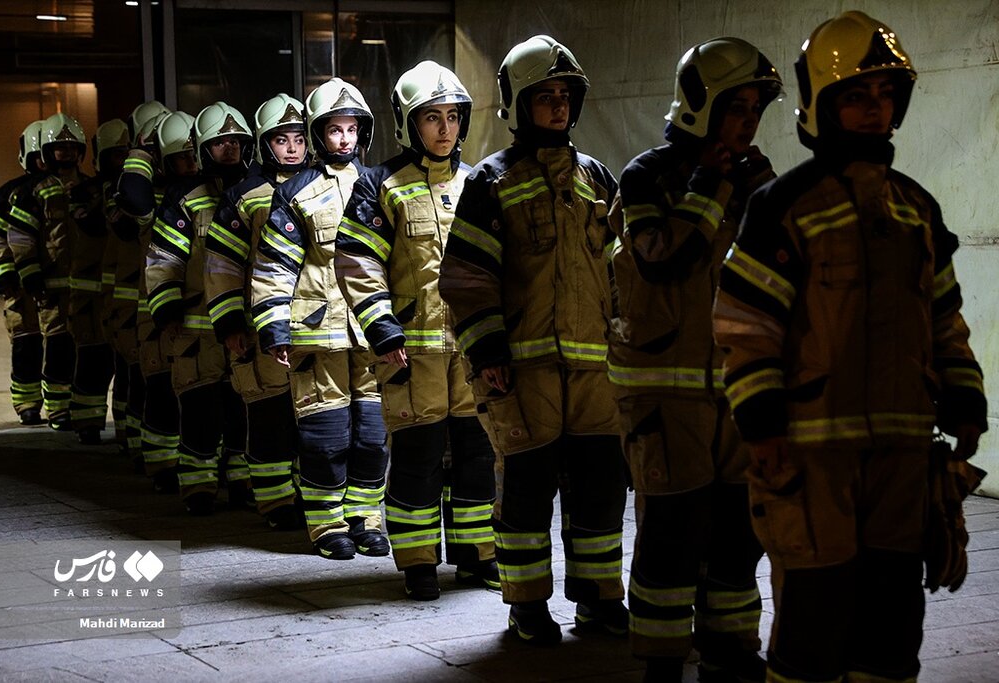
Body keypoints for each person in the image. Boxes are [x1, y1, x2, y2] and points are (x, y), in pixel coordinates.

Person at [712, 11, 987, 682]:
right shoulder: (784, 206)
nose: (875, 109)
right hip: (812, 462)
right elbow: (746, 325)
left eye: (886, 94)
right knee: (813, 624)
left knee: (893, 628)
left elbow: (946, 317)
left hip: (901, 460)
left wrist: (965, 396)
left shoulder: (916, 209)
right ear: (822, 105)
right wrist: (764, 425)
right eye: (857, 95)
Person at [439, 35, 627, 645]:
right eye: (544, 96)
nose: (557, 107)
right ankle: (526, 605)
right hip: (523, 374)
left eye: (565, 95)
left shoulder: (597, 176)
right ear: (518, 105)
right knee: (524, 496)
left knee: (598, 494)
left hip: (596, 377)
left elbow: (620, 272)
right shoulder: (491, 181)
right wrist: (487, 351)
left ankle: (599, 600)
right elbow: (466, 280)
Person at [607, 38, 782, 681]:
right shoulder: (646, 175)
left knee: (741, 529)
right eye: (735, 107)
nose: (747, 122)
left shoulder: (755, 176)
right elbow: (661, 259)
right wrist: (712, 184)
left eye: (755, 109)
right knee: (671, 533)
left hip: (737, 388)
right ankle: (660, 658)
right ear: (699, 105)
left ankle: (730, 647)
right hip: (663, 393)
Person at [335, 62, 498, 599]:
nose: (445, 129)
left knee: (477, 457)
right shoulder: (380, 185)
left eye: (453, 117)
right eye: (432, 118)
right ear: (409, 124)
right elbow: (357, 261)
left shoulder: (480, 182)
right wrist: (382, 329)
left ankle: (477, 557)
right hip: (410, 354)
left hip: (470, 351)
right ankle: (419, 562)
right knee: (418, 460)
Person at [251, 80, 391, 553]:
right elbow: (274, 265)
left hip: (370, 335)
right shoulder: (295, 192)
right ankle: (327, 524)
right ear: (319, 135)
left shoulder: (381, 185)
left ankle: (366, 518)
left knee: (372, 435)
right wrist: (273, 327)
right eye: (335, 130)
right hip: (317, 333)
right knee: (325, 435)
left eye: (353, 130)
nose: (346, 140)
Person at [205, 93, 307, 530]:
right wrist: (229, 324)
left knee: (314, 419)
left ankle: (312, 497)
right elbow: (222, 266)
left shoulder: (326, 185)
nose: (291, 149)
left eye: (299, 139)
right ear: (264, 144)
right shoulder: (244, 195)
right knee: (268, 417)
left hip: (314, 328)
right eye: (281, 140)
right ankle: (274, 502)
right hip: (259, 327)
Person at [145, 102, 252, 515]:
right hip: (196, 331)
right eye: (219, 142)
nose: (228, 149)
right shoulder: (185, 201)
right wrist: (165, 311)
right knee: (200, 412)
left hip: (246, 329)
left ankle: (244, 483)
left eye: (235, 142)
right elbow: (162, 260)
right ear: (204, 148)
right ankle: (198, 486)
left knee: (244, 411)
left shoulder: (258, 195)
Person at [114, 110, 191, 488]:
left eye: (195, 154)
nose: (190, 164)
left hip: (202, 316)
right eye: (181, 157)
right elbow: (131, 194)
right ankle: (162, 465)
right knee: (160, 390)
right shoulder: (154, 200)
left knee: (199, 398)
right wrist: (140, 155)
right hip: (157, 314)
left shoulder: (214, 193)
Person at [6, 112, 86, 431]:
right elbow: (20, 237)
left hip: (85, 286)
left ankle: (68, 405)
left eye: (70, 147)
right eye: (58, 148)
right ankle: (53, 408)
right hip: (51, 287)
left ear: (81, 150)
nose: (65, 153)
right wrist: (30, 275)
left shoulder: (91, 189)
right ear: (47, 153)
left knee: (76, 349)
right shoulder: (33, 191)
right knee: (54, 346)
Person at [67, 119, 130, 445]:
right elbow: (89, 225)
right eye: (115, 155)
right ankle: (86, 423)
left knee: (126, 366)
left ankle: (124, 429)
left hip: (122, 294)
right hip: (90, 297)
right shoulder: (84, 193)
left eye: (126, 154)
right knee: (92, 361)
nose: (121, 161)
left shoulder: (134, 194)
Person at [0, 120, 46, 426]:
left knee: (66, 349)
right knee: (26, 345)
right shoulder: (9, 193)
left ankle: (64, 405)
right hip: (22, 288)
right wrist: (4, 277)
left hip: (63, 287)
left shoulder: (77, 189)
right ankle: (28, 403)